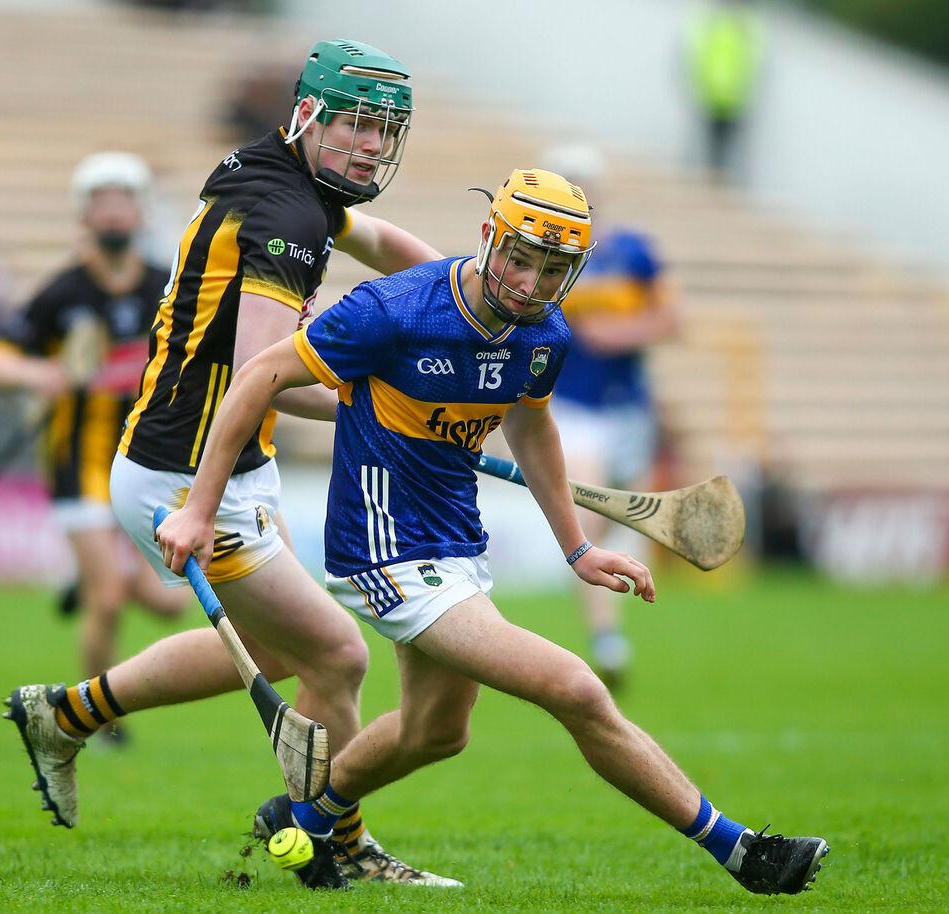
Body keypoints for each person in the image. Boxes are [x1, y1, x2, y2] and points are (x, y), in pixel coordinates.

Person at [157, 168, 830, 894]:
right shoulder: (393, 310)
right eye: (519, 257)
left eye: (553, 269)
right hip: (385, 552)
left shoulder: (544, 334)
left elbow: (532, 426)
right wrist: (200, 507)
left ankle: (305, 815)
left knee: (437, 732)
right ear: (488, 238)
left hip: (455, 542)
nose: (530, 282)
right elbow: (259, 377)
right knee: (574, 687)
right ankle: (742, 852)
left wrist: (578, 548)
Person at [5, 40, 458, 885]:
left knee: (281, 652)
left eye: (384, 131)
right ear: (307, 116)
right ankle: (340, 846)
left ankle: (65, 715)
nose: (370, 146)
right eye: (355, 125)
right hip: (190, 473)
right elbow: (264, 375)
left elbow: (380, 240)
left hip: (216, 459)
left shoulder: (283, 174)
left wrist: (470, 298)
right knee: (338, 656)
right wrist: (384, 412)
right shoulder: (288, 217)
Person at [0, 151, 192, 742]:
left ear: (142, 211)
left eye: (125, 201)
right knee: (108, 599)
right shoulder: (63, 293)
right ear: (84, 215)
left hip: (147, 463)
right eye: (103, 203)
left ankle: (88, 573)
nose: (115, 213)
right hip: (78, 462)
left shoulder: (167, 286)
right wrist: (37, 374)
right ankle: (100, 723)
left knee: (171, 606)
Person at [540, 142, 681, 689]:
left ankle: (615, 620)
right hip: (573, 406)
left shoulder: (633, 252)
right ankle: (606, 637)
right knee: (591, 518)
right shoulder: (544, 256)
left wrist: (615, 334)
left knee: (630, 519)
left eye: (586, 183)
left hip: (629, 408)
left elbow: (671, 318)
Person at [684, 0, 765, 180]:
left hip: (731, 101)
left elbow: (752, 64)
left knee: (722, 154)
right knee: (711, 151)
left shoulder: (742, 28)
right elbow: (699, 56)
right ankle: (710, 184)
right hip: (714, 97)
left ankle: (716, 184)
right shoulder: (724, 25)